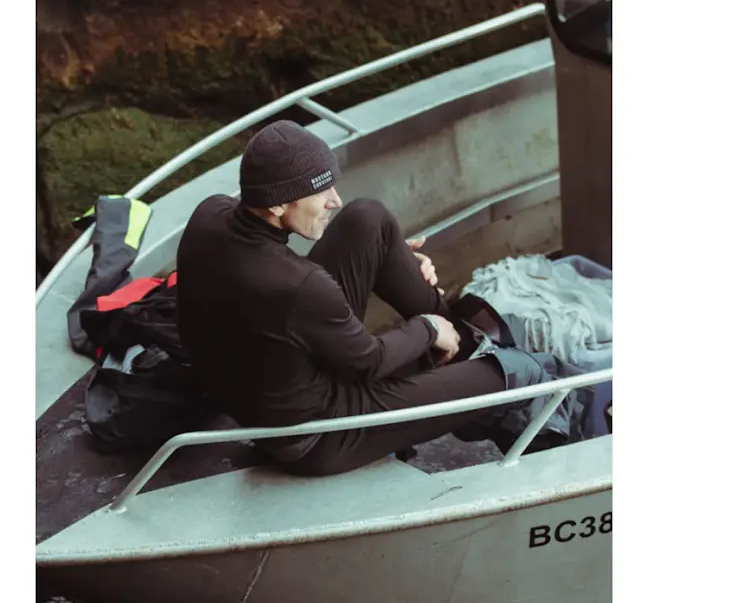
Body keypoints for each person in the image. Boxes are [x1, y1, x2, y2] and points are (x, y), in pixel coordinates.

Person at [175, 119, 513, 476]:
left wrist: (394, 255)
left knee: (369, 218)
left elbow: (282, 293)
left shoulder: (210, 213)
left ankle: (461, 346)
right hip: (315, 435)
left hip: (272, 384)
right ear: (276, 206)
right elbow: (368, 361)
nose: (335, 201)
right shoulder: (298, 286)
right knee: (512, 372)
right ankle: (489, 382)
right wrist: (429, 328)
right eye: (320, 193)